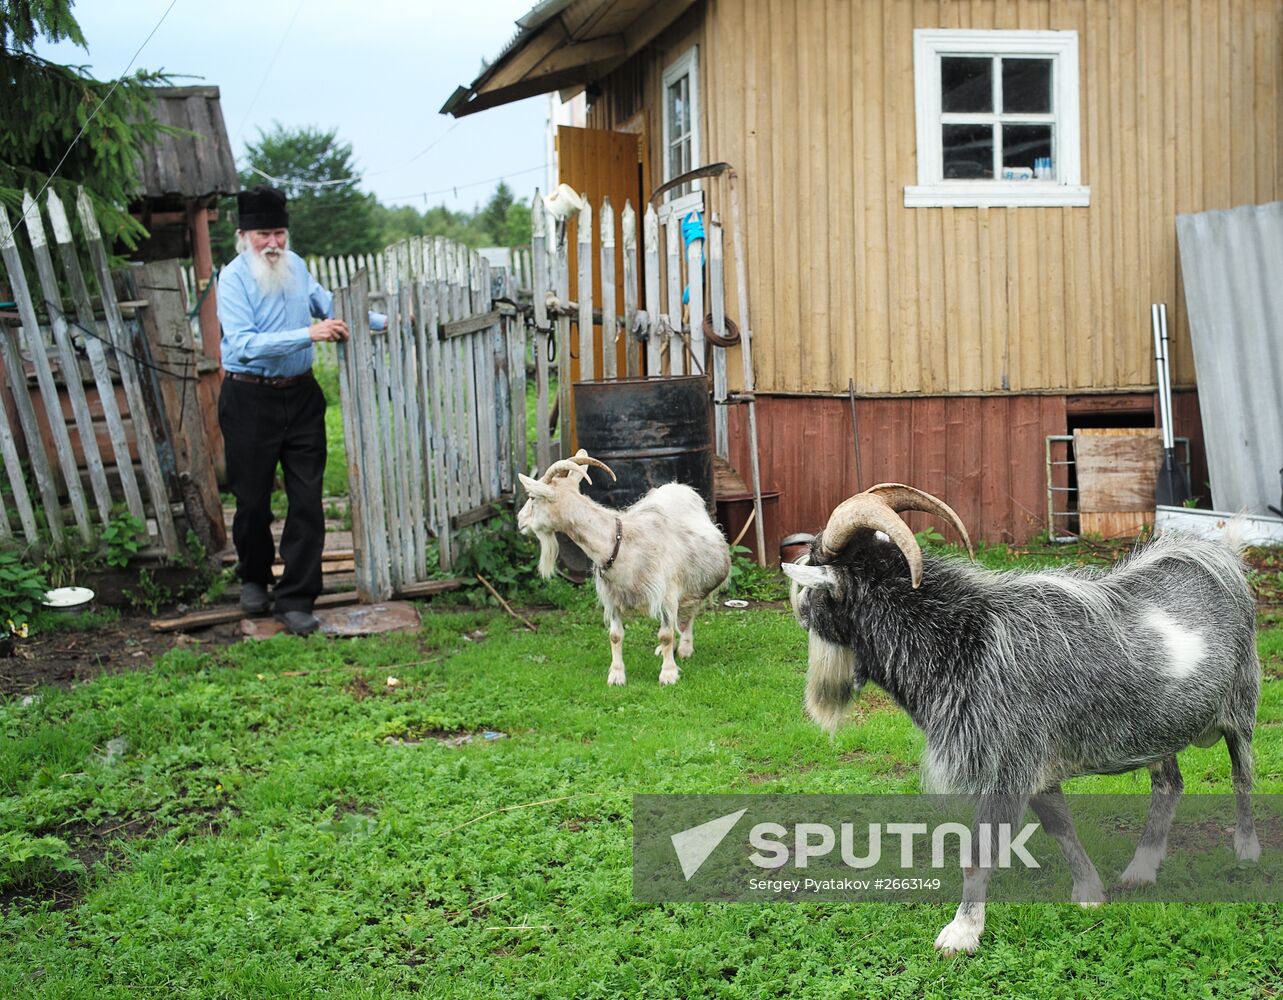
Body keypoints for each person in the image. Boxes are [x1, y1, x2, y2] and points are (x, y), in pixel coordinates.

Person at [216, 185, 384, 635]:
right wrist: (308, 334)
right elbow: (243, 346)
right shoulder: (231, 279)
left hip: (302, 397)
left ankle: (296, 598)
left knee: (307, 500)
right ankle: (254, 578)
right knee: (252, 502)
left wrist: (383, 322)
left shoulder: (297, 266)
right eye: (263, 235)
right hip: (248, 398)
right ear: (243, 235)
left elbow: (332, 308)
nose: (272, 243)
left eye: (279, 233)